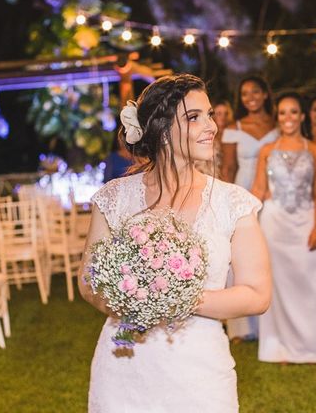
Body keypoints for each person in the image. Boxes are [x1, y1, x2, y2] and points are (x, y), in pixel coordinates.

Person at [80, 74, 272, 412]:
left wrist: (177, 298)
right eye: (195, 117)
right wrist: (131, 302)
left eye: (210, 114)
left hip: (199, 375)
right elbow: (87, 281)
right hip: (124, 369)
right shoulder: (113, 198)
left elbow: (257, 294)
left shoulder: (233, 203)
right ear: (162, 129)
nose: (211, 126)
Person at [253, 93, 316, 363]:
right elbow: (259, 188)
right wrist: (245, 219)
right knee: (280, 285)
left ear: (302, 116)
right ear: (278, 117)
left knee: (311, 280)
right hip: (274, 224)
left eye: (293, 112)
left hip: (304, 222)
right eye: (283, 113)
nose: (288, 118)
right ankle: (282, 346)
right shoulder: (266, 151)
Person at [221, 76, 278, 341]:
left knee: (272, 255)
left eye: (255, 91)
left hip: (276, 194)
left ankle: (274, 320)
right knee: (244, 257)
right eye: (245, 94)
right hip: (244, 193)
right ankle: (243, 327)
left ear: (265, 94)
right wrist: (223, 203)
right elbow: (228, 168)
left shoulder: (278, 125)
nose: (250, 97)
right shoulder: (233, 128)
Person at [198, 100, 234, 177]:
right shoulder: (206, 136)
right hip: (209, 176)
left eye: (226, 114)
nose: (223, 117)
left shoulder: (233, 135)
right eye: (219, 114)